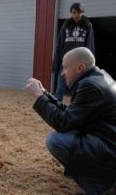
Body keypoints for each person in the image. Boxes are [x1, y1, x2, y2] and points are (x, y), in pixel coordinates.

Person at [26, 47, 116, 194]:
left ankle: (102, 184)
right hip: (108, 140)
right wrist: (46, 94)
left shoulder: (90, 85)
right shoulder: (98, 77)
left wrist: (38, 97)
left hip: (111, 149)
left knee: (56, 141)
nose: (62, 73)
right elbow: (72, 115)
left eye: (65, 68)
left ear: (80, 67)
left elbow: (63, 123)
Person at [52, 2, 95, 101]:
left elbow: (90, 45)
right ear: (71, 13)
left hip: (79, 64)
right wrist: (56, 62)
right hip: (66, 63)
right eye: (74, 12)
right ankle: (55, 108)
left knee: (78, 89)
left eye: (78, 12)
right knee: (60, 88)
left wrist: (89, 64)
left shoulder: (87, 25)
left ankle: (75, 110)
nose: (76, 15)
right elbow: (59, 44)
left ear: (82, 12)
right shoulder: (66, 25)